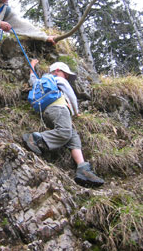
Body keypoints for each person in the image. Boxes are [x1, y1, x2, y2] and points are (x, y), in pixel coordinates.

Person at [23, 60, 104, 188]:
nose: (66, 77)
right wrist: (76, 112)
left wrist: (32, 66)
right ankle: (35, 138)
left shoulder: (41, 81)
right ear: (56, 71)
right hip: (59, 108)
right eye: (65, 74)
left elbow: (32, 78)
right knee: (65, 132)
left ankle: (83, 169)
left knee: (72, 135)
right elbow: (71, 94)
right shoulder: (57, 79)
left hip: (47, 112)